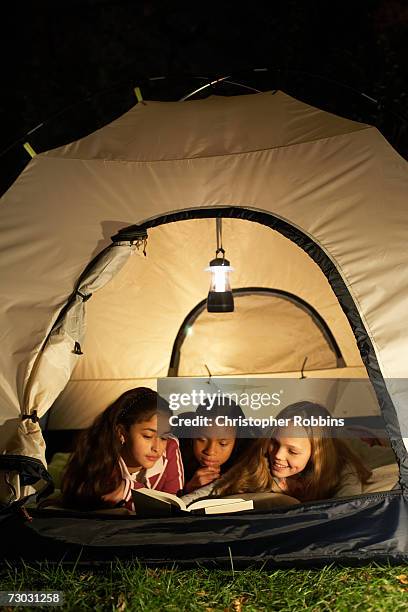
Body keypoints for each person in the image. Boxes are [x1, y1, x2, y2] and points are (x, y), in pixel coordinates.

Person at [212, 402, 372, 502]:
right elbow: (219, 486)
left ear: (315, 454)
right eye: (275, 443)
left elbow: (349, 506)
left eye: (293, 451)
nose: (278, 455)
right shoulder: (261, 456)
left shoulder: (343, 468)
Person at [61, 387, 184, 510]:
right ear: (122, 433)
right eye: (148, 436)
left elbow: (174, 502)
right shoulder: (102, 455)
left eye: (164, 437)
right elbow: (100, 496)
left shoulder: (170, 447)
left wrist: (127, 489)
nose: (157, 448)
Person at [178, 399, 252, 494]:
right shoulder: (177, 452)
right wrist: (187, 489)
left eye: (223, 443)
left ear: (236, 441)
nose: (210, 451)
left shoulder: (248, 463)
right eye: (201, 439)